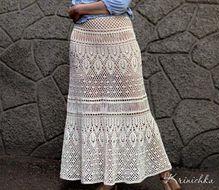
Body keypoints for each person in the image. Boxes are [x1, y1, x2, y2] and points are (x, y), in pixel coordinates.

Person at [60, 1, 182, 190]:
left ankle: (166, 176)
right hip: (84, 42)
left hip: (118, 39)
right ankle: (108, 180)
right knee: (93, 110)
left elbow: (118, 3)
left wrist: (80, 9)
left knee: (134, 108)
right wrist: (80, 8)